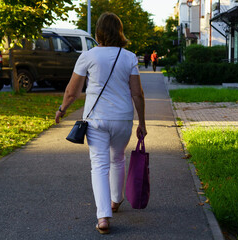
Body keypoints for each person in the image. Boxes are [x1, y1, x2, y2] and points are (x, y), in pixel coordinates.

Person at [55, 12, 147, 234]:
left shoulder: (88, 56)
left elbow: (72, 91)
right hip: (123, 118)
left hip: (96, 119)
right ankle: (116, 200)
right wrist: (142, 122)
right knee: (118, 158)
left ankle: (103, 216)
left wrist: (62, 109)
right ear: (119, 32)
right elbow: (137, 94)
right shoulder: (129, 57)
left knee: (99, 165)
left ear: (98, 33)